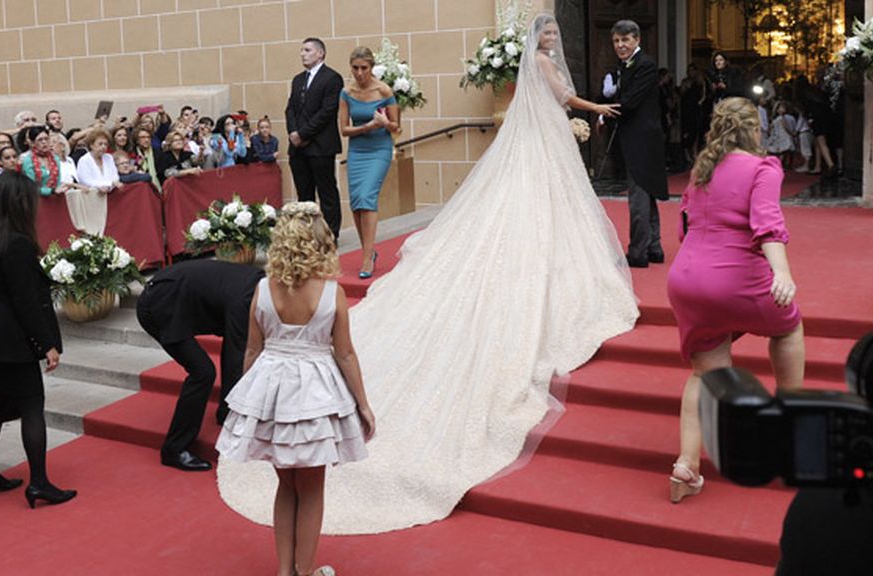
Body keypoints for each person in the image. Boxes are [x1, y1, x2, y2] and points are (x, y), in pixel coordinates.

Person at [219, 13, 638, 534]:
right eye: (547, 34)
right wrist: (594, 108)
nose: (551, 40)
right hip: (541, 138)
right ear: (538, 42)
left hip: (533, 139)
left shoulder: (537, 65)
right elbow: (563, 99)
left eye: (553, 34)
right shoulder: (546, 66)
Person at [216, 201, 374, 576]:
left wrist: (250, 406)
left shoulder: (262, 289)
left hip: (271, 387)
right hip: (315, 393)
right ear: (320, 241)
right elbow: (346, 354)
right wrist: (363, 404)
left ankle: (286, 572)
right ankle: (305, 573)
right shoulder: (331, 292)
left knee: (286, 486)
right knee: (312, 488)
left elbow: (252, 350)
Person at [666, 97, 805, 502]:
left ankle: (686, 467)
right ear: (755, 130)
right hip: (733, 277)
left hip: (687, 279)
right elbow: (767, 224)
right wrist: (781, 272)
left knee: (704, 373)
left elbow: (683, 226)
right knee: (788, 327)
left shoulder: (702, 168)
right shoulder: (763, 168)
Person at [0, 171, 76, 508]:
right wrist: (47, 344)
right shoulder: (17, 243)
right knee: (31, 406)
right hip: (12, 338)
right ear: (20, 204)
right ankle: (39, 483)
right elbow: (25, 302)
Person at [135, 260, 266, 471]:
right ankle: (174, 449)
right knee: (203, 372)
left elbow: (234, 346)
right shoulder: (246, 298)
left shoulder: (256, 283)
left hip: (172, 293)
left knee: (227, 350)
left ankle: (225, 411)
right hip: (158, 306)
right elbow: (236, 357)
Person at [606, 20, 669, 268]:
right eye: (616, 41)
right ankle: (654, 247)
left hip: (642, 138)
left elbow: (630, 102)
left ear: (637, 40)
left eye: (625, 40)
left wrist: (603, 112)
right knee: (646, 191)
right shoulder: (626, 65)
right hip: (638, 136)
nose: (620, 45)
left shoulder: (645, 64)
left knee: (639, 195)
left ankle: (638, 252)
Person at [339, 46, 400, 279]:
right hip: (357, 150)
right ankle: (369, 251)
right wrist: (366, 127)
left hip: (379, 150)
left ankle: (366, 257)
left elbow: (397, 127)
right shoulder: (346, 92)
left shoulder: (384, 90)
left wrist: (384, 123)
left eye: (364, 68)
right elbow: (344, 130)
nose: (359, 73)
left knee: (366, 197)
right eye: (355, 68)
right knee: (356, 203)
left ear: (371, 67)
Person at [285, 37, 344, 240]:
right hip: (298, 148)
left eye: (307, 50)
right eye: (302, 50)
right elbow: (290, 109)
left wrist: (304, 134)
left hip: (320, 145)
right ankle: (307, 235)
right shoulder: (297, 79)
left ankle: (330, 235)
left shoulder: (332, 78)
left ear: (320, 53)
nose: (303, 53)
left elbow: (327, 112)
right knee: (304, 195)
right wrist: (293, 133)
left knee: (327, 192)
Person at [19, 127, 61, 197]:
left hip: (55, 198)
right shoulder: (28, 160)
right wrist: (51, 191)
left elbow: (58, 181)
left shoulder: (55, 159)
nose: (44, 142)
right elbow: (31, 187)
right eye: (40, 140)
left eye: (46, 139)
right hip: (36, 199)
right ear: (32, 143)